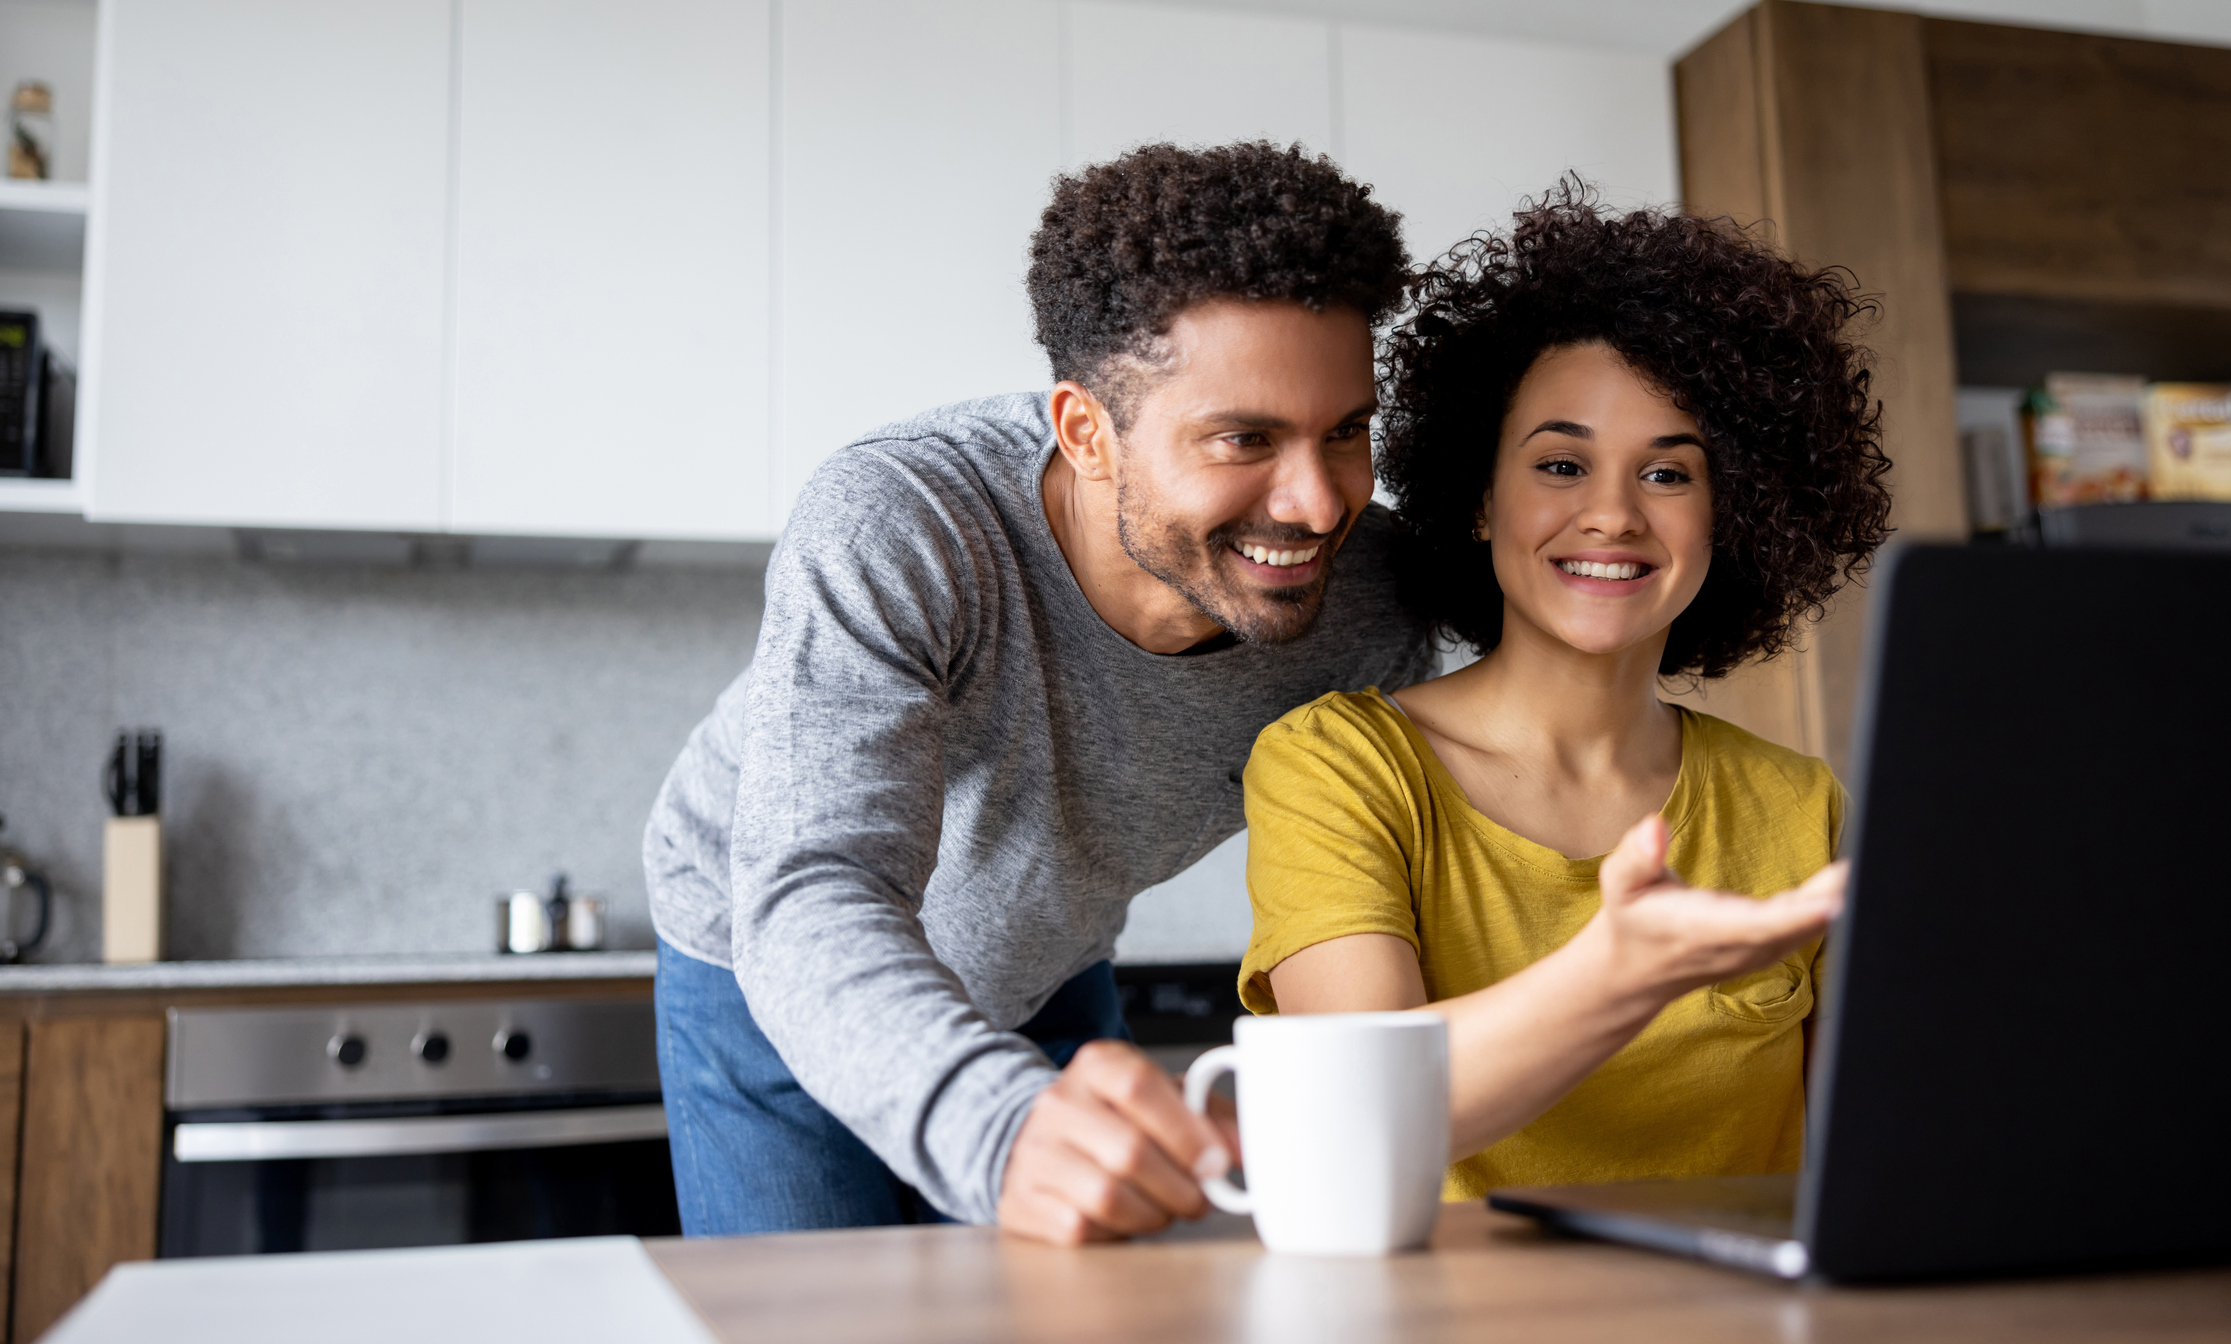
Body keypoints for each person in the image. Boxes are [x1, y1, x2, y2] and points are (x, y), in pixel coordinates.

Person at [645, 142, 1434, 1243]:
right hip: (772, 966)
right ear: (1083, 432)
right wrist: (998, 1129)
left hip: (1048, 957)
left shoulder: (1374, 597)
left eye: (1345, 431)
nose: (1313, 504)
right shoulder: (904, 523)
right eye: (1243, 438)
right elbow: (814, 882)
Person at [1237, 184, 1894, 1199]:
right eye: (1559, 463)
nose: (1611, 515)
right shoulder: (1335, 768)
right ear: (1477, 500)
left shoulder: (1797, 806)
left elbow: (1852, 1166)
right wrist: (1623, 969)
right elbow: (1356, 1119)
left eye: (1667, 475)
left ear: (1738, 514)